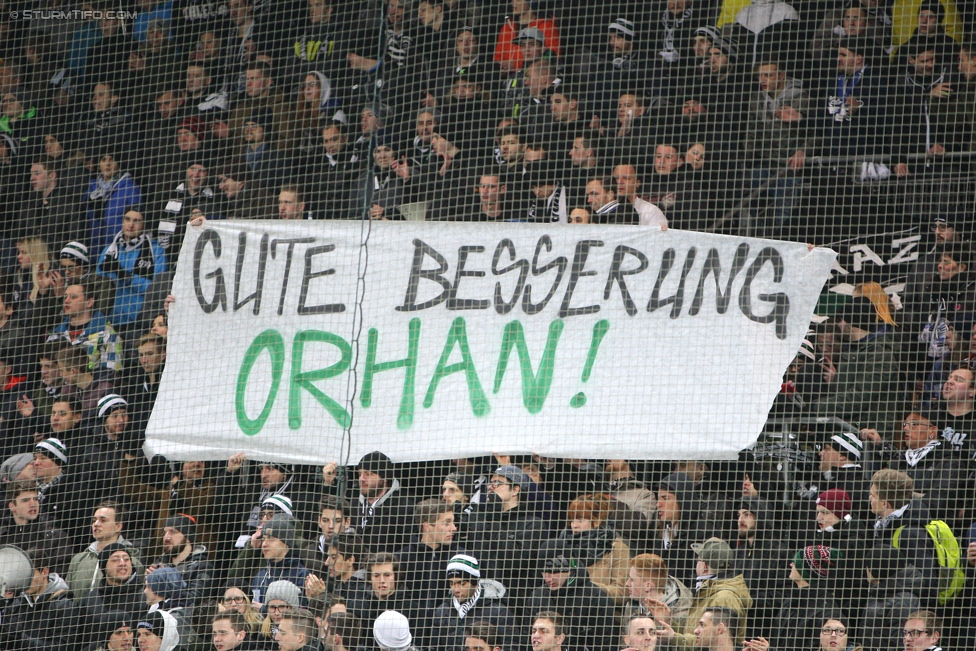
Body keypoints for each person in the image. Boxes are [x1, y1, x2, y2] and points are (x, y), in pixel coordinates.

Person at [656, 538, 753, 647]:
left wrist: (673, 637)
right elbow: (692, 632)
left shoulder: (724, 597)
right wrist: (668, 621)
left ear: (705, 566)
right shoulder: (708, 590)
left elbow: (709, 641)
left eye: (698, 560)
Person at [527, 539, 617, 651]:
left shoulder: (595, 597)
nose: (548, 578)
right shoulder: (537, 597)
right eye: (544, 572)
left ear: (570, 568)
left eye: (555, 572)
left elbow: (605, 644)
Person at [431, 553, 512, 651]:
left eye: (462, 583)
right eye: (452, 583)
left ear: (474, 581)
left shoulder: (498, 612)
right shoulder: (442, 612)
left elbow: (511, 645)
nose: (455, 589)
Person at [66, 500, 145, 598]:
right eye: (94, 520)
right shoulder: (79, 559)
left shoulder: (131, 561)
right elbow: (68, 595)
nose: (96, 524)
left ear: (118, 526)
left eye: (103, 520)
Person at [46, 282, 124, 372]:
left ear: (89, 302)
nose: (66, 301)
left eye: (73, 297)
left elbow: (111, 374)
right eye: (65, 297)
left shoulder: (108, 335)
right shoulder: (55, 335)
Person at [251, 513, 310, 605]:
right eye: (263, 538)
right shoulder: (260, 576)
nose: (264, 544)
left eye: (271, 538)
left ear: (286, 543)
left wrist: (264, 610)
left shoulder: (301, 575)